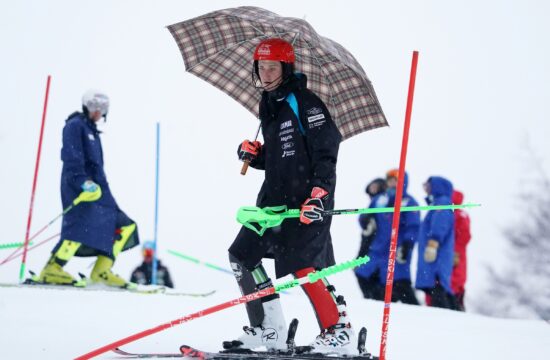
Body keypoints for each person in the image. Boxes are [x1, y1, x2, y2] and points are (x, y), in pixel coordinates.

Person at [225, 38, 357, 355]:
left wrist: (319, 195)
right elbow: (283, 155)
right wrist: (254, 155)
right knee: (242, 255)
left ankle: (339, 331)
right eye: (262, 67)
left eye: (273, 67)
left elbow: (326, 150)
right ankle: (269, 329)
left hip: (306, 203)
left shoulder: (306, 102)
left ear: (286, 68)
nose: (266, 73)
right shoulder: (269, 103)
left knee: (304, 266)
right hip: (273, 202)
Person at [37, 89, 139, 288]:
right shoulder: (75, 126)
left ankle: (101, 271)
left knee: (125, 225)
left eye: (103, 108)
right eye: (94, 106)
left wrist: (102, 189)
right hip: (79, 187)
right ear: (86, 105)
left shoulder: (92, 130)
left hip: (101, 191)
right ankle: (52, 269)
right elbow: (71, 158)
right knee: (79, 226)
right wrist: (84, 183)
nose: (98, 111)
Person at [354, 170, 420, 305]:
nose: (391, 183)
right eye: (389, 180)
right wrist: (365, 220)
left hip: (396, 250)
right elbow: (366, 214)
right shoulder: (380, 199)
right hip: (377, 248)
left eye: (395, 180)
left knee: (399, 284)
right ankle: (373, 303)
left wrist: (408, 244)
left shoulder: (408, 202)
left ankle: (417, 313)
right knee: (362, 273)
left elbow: (413, 226)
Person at [415, 176, 456, 309]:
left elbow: (440, 224)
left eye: (428, 185)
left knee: (438, 288)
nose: (426, 188)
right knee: (437, 290)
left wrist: (433, 244)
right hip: (436, 255)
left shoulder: (442, 202)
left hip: (437, 255)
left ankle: (447, 317)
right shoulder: (437, 203)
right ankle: (451, 313)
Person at [354, 178, 387, 299]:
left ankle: (373, 299)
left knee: (363, 273)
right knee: (364, 273)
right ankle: (372, 299)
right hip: (371, 243)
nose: (373, 188)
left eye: (376, 186)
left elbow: (382, 221)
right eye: (371, 186)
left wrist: (368, 219)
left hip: (376, 245)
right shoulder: (375, 201)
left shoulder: (381, 200)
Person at [450, 190, 471, 311]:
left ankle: (458, 309)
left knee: (456, 282)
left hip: (457, 254)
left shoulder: (460, 215)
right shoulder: (454, 214)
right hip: (453, 253)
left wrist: (455, 252)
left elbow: (465, 236)